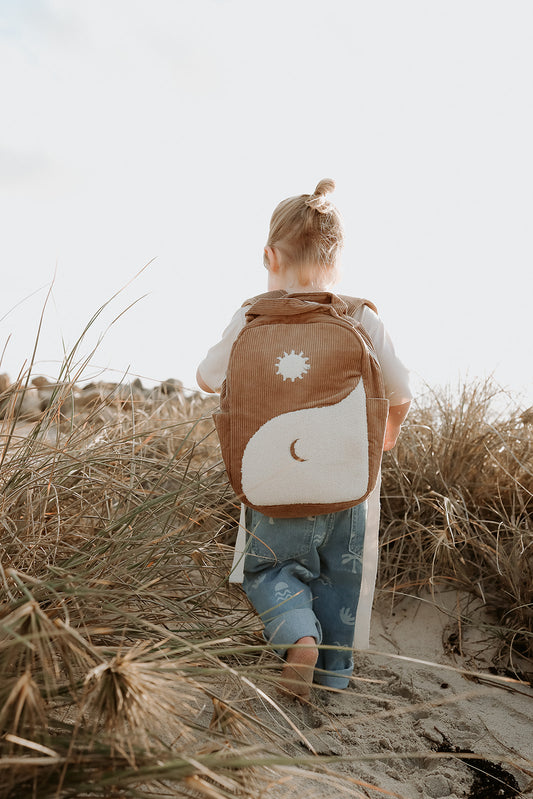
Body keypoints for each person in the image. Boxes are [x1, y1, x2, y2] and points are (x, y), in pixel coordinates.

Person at [197, 179, 411, 699]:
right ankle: (334, 674)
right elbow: (401, 390)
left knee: (271, 568)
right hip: (349, 484)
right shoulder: (360, 316)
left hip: (272, 481)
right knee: (343, 581)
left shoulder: (251, 315)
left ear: (269, 254)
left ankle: (298, 635)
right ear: (337, 257)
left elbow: (206, 377)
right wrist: (388, 434)